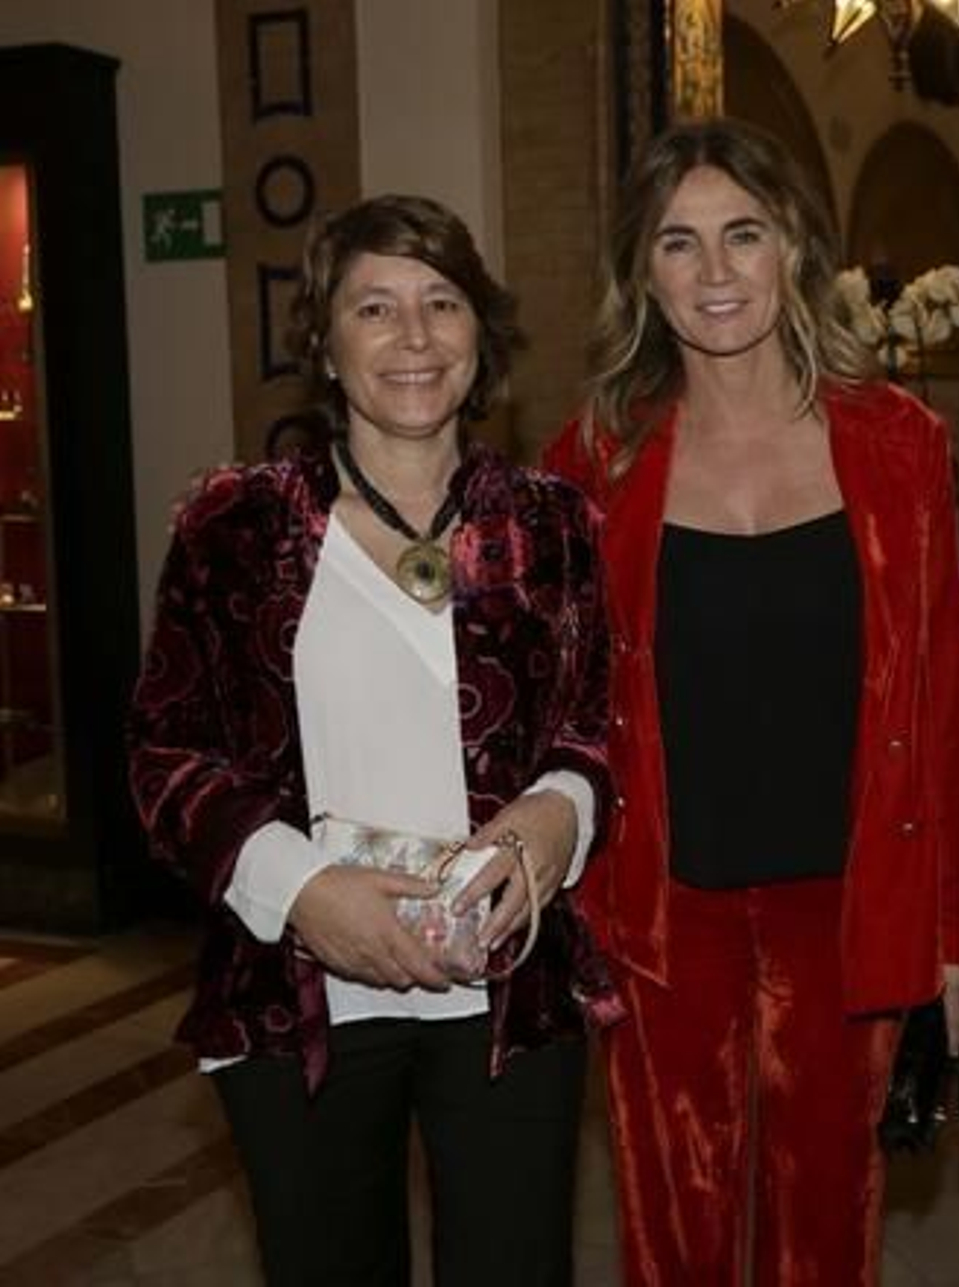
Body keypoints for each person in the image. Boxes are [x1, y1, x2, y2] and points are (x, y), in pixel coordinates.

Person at [127, 194, 619, 1287]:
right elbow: (165, 753)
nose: (413, 338)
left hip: (505, 991)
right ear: (325, 343)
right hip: (296, 993)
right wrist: (303, 891)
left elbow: (594, 725)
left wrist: (557, 814)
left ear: (482, 336)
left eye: (442, 303)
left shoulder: (552, 524)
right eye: (375, 307)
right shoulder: (236, 525)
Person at [543, 118, 959, 1287]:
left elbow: (938, 704)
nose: (715, 273)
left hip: (844, 902)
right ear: (641, 270)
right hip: (659, 911)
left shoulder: (900, 445)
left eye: (742, 235)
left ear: (793, 243)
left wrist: (957, 935)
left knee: (828, 1230)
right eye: (678, 243)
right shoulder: (591, 459)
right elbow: (554, 702)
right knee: (671, 1231)